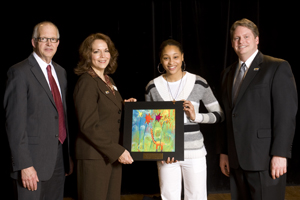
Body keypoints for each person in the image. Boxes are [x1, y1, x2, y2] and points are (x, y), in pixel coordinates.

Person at [217, 18, 297, 199]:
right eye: (237, 38)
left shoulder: (276, 67)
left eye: (246, 36)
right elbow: (227, 116)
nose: (241, 42)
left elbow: (286, 115)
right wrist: (224, 152)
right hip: (236, 159)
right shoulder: (227, 74)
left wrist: (280, 153)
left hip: (265, 159)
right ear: (232, 43)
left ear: (257, 39)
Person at [145, 39, 224, 200]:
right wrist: (161, 152)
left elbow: (219, 114)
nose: (171, 62)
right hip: (166, 155)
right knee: (168, 197)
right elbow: (150, 126)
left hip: (194, 152)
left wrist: (197, 116)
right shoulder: (152, 87)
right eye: (166, 58)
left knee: (196, 197)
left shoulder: (199, 83)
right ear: (161, 60)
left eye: (175, 57)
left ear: (182, 57)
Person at [3, 21, 72, 200]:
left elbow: (60, 116)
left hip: (58, 160)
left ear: (58, 43)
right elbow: (15, 124)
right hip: (31, 163)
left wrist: (65, 157)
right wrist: (24, 165)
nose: (49, 43)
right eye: (43, 39)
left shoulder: (61, 72)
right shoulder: (19, 72)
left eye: (53, 39)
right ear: (34, 42)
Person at [73, 33, 136, 200]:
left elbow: (106, 109)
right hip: (94, 157)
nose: (103, 56)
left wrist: (125, 106)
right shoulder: (86, 81)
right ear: (88, 55)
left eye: (106, 50)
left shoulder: (108, 80)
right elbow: (88, 125)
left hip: (110, 155)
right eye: (96, 51)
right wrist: (117, 151)